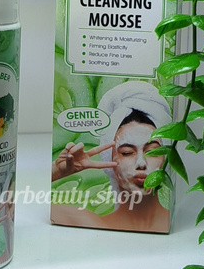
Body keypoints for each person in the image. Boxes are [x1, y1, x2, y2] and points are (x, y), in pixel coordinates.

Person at [51, 81, 171, 232]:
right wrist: (58, 171)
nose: (141, 163)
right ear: (109, 159)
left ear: (166, 157)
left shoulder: (180, 224)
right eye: (127, 152)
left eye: (152, 151)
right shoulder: (83, 221)